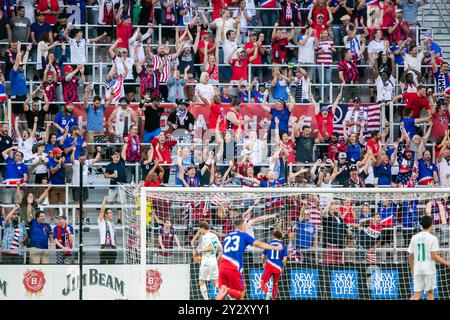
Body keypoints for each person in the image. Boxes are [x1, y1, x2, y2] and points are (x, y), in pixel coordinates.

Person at [215, 218, 283, 300]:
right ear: (243, 226)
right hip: (233, 267)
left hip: (222, 266)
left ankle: (225, 291)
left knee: (222, 293)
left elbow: (223, 251)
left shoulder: (227, 236)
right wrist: (273, 247)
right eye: (246, 224)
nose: (247, 226)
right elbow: (258, 244)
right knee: (240, 293)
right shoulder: (244, 235)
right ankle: (227, 291)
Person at [408, 215, 450, 300]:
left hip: (418, 269)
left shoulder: (414, 237)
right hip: (429, 270)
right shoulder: (433, 238)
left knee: (417, 295)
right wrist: (447, 263)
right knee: (430, 294)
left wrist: (412, 268)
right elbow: (433, 256)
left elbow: (410, 255)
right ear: (431, 225)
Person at [192, 221, 222, 300]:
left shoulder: (206, 236)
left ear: (202, 228)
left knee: (201, 282)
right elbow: (220, 248)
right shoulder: (214, 235)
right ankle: (227, 292)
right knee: (215, 282)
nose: (200, 231)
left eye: (200, 229)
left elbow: (211, 248)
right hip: (214, 261)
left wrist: (199, 250)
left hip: (207, 261)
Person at [260, 230, 288, 300]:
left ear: (273, 236)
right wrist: (283, 267)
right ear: (281, 237)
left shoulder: (269, 244)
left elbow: (262, 256)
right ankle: (273, 298)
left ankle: (267, 292)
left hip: (269, 266)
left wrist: (263, 263)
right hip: (278, 267)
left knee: (262, 282)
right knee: (275, 284)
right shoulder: (283, 246)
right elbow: (284, 260)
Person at [98, 196, 117, 264]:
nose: (112, 214)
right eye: (109, 212)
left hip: (113, 246)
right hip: (104, 245)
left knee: (112, 266)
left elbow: (114, 236)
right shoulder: (101, 222)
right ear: (105, 215)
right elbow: (102, 211)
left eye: (112, 212)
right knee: (102, 265)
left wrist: (115, 247)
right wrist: (104, 201)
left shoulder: (113, 224)